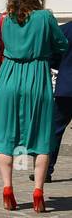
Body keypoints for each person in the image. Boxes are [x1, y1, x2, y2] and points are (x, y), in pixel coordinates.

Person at [0, 0, 68, 213]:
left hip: (8, 78)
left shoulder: (2, 19)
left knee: (5, 136)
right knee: (41, 136)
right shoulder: (45, 17)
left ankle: (8, 188)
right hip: (37, 77)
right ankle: (38, 192)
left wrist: (6, 45)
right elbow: (62, 45)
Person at [42, 18, 72, 183]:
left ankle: (46, 170)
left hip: (66, 87)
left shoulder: (64, 30)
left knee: (55, 130)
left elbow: (52, 56)